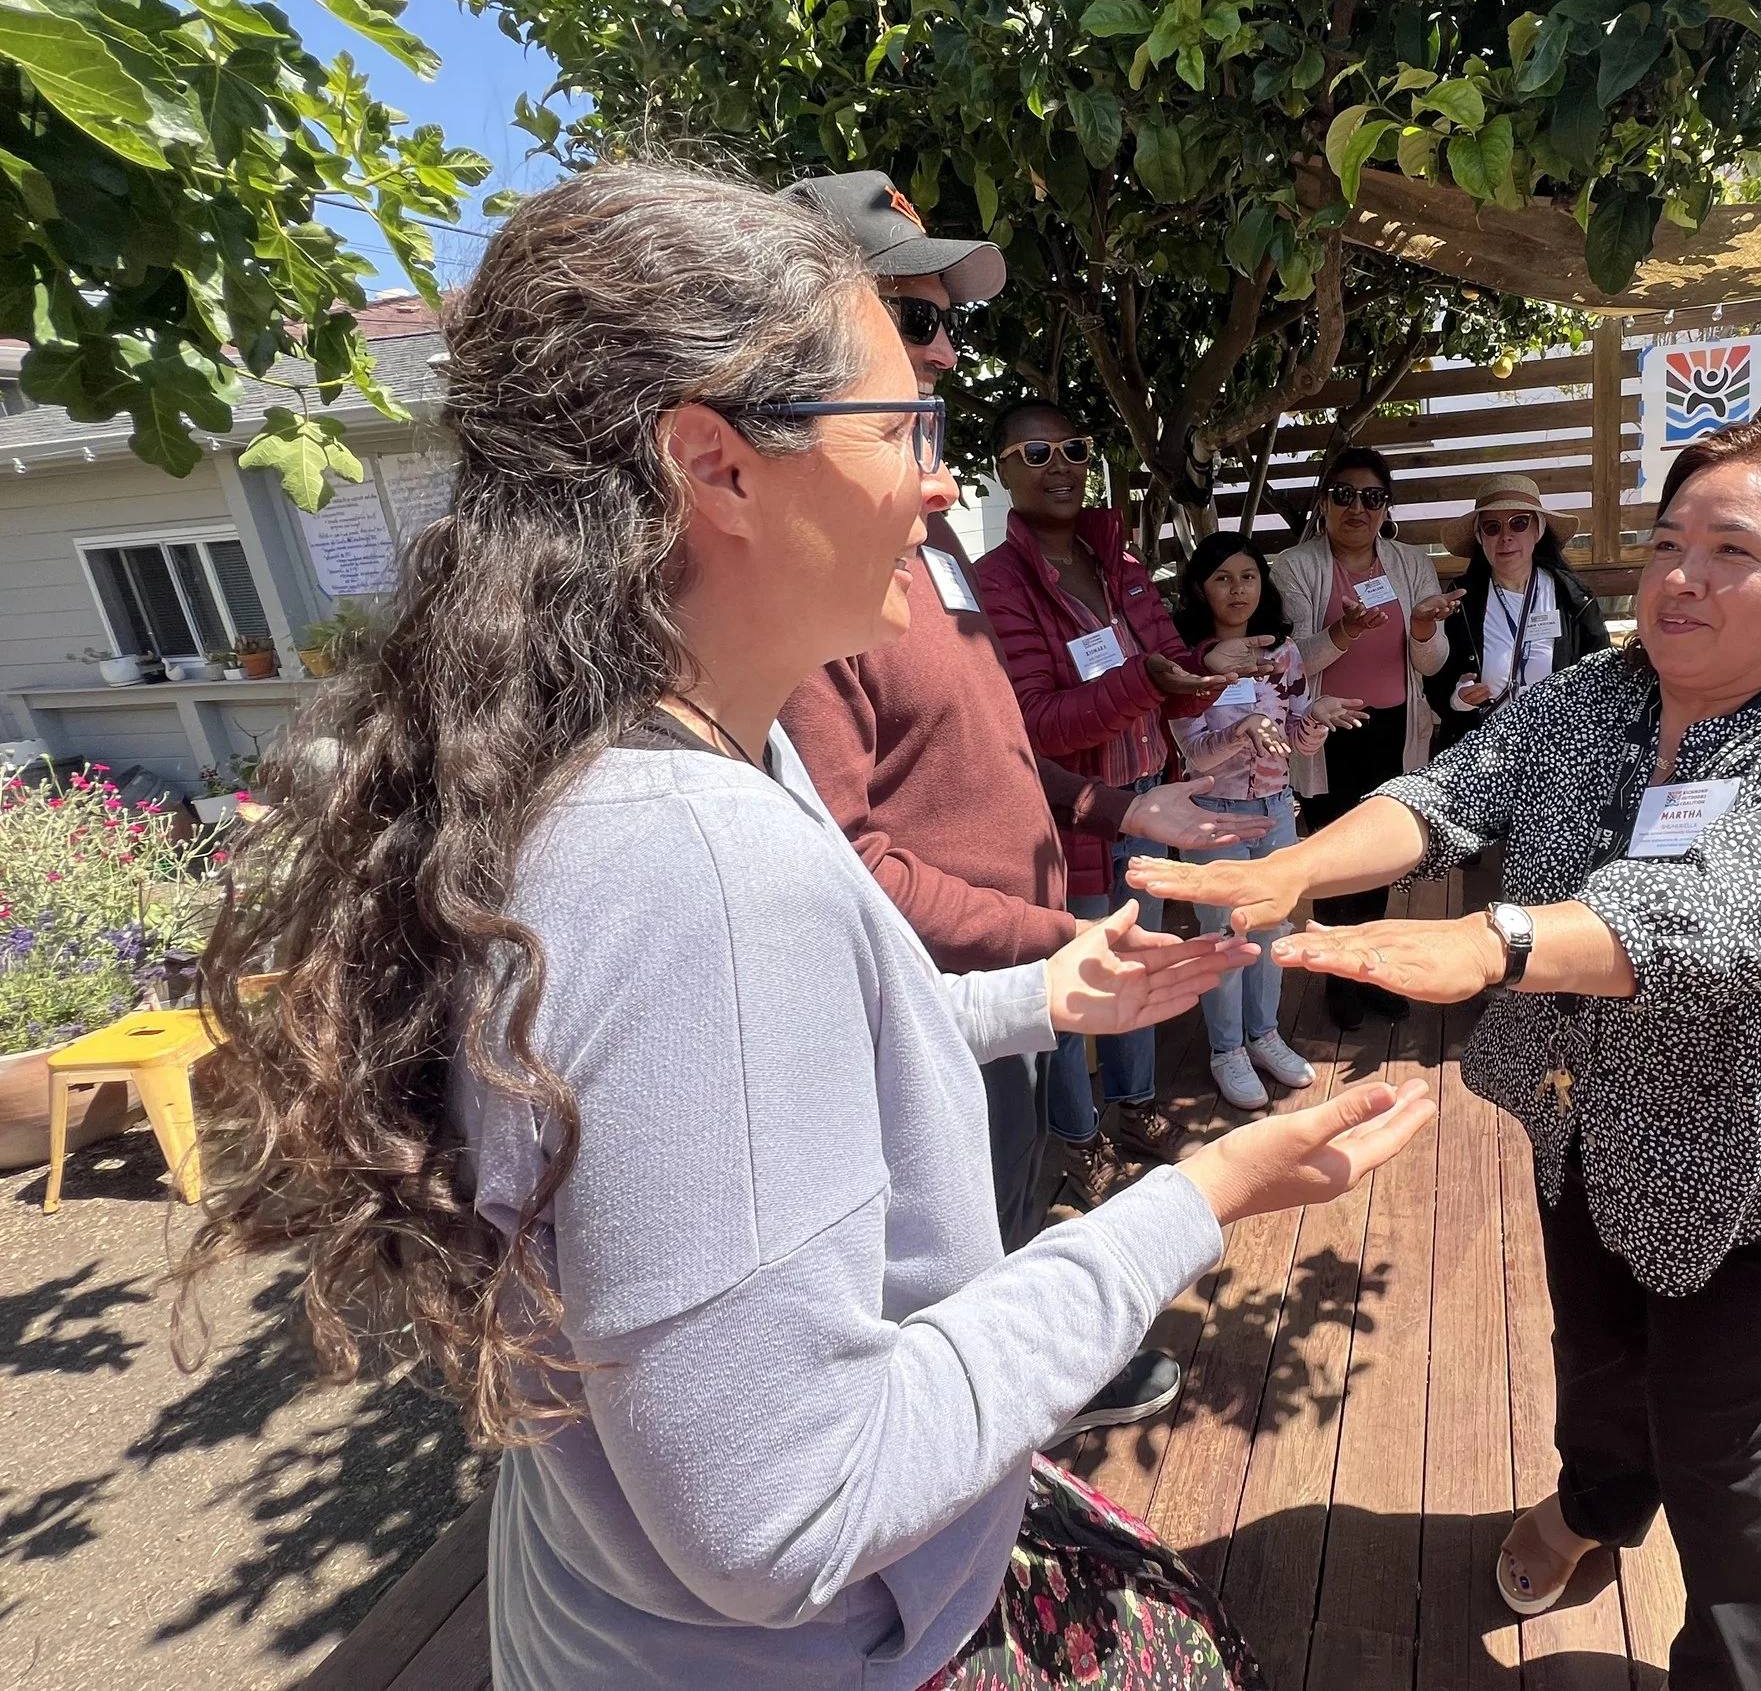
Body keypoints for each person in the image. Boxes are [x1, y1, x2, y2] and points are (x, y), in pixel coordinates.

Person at [179, 165, 1436, 1689]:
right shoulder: (692, 866)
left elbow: (761, 1075)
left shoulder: (647, 753)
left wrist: (1037, 994)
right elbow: (791, 1510)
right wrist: (1201, 1194)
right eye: (900, 423)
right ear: (716, 466)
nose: (933, 478)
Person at [1137, 409, 1761, 1691]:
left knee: (1725, 1461)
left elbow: (1737, 910)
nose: (1681, 574)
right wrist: (1289, 870)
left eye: (1732, 549)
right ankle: (1595, 1509)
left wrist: (1496, 944)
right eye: (1670, 540)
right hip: (1580, 1122)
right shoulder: (1596, 699)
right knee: (1599, 1366)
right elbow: (1445, 795)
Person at [775, 171, 1273, 1441]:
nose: (947, 352)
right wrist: (1062, 952)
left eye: (951, 323)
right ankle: (1000, 1451)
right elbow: (855, 860)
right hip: (944, 987)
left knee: (1009, 1189)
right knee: (945, 1254)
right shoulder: (798, 570)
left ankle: (1027, 1395)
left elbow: (991, 746)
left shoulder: (926, 530)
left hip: (1020, 959)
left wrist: (1125, 811)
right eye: (916, 317)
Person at [977, 403, 1256, 1205]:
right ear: (1002, 470)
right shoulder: (997, 583)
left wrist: (1209, 663)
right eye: (1037, 451)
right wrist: (1148, 681)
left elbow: (1164, 667)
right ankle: (1077, 1135)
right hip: (1075, 819)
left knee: (1138, 961)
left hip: (1150, 801)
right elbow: (1038, 725)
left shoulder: (1117, 560)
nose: (1060, 464)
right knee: (1078, 982)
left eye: (1075, 448)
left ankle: (1134, 1107)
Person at [1169, 531, 1361, 1109]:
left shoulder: (1284, 653)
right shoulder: (1189, 661)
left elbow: (1296, 741)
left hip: (1277, 811)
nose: (1238, 589)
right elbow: (1195, 753)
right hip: (1212, 817)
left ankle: (1265, 1035)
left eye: (1248, 576)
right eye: (1223, 578)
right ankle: (1226, 1049)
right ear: (1201, 589)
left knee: (1272, 929)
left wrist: (1317, 719)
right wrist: (1240, 731)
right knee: (1225, 937)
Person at [1270, 446, 1461, 1027]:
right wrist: (1344, 631)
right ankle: (1335, 978)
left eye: (1372, 497)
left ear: (1387, 507)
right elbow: (1292, 659)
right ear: (1325, 501)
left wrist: (1425, 626)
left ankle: (1368, 968)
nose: (1358, 507)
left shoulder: (1410, 563)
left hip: (1394, 730)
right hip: (1327, 733)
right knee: (1332, 858)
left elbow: (1430, 665)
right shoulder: (1294, 567)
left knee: (1379, 858)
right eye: (1345, 494)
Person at [1422, 475, 1610, 752]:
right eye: (1492, 527)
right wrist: (1458, 698)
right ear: (1480, 537)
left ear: (1538, 530)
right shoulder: (1461, 598)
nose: (1505, 537)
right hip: (1483, 753)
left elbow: (1601, 673)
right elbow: (1436, 676)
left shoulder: (1572, 597)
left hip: (1557, 751)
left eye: (1519, 523)